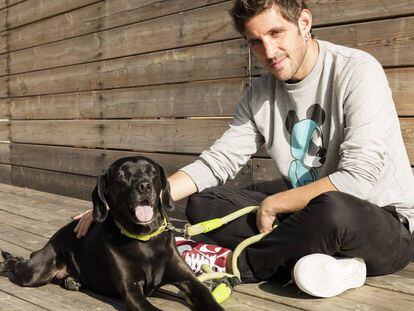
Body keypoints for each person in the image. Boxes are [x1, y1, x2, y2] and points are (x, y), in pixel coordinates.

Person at [74, 0, 414, 298]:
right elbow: (217, 162)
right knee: (204, 203)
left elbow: (359, 178)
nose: (268, 51)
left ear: (305, 23)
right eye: (255, 41)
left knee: (334, 209)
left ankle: (237, 265)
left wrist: (276, 203)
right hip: (305, 215)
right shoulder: (259, 95)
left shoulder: (356, 70)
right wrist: (130, 200)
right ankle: (327, 266)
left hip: (382, 222)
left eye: (276, 33)